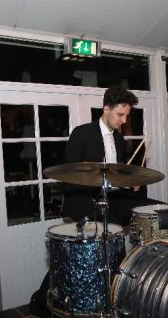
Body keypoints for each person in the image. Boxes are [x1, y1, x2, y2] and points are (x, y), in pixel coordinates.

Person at [61, 85, 149, 225]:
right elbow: (68, 174)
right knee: (112, 225)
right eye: (120, 115)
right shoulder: (81, 133)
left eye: (126, 116)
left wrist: (131, 182)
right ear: (106, 110)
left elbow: (117, 174)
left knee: (154, 210)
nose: (124, 121)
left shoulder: (118, 139)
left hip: (114, 199)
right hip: (88, 203)